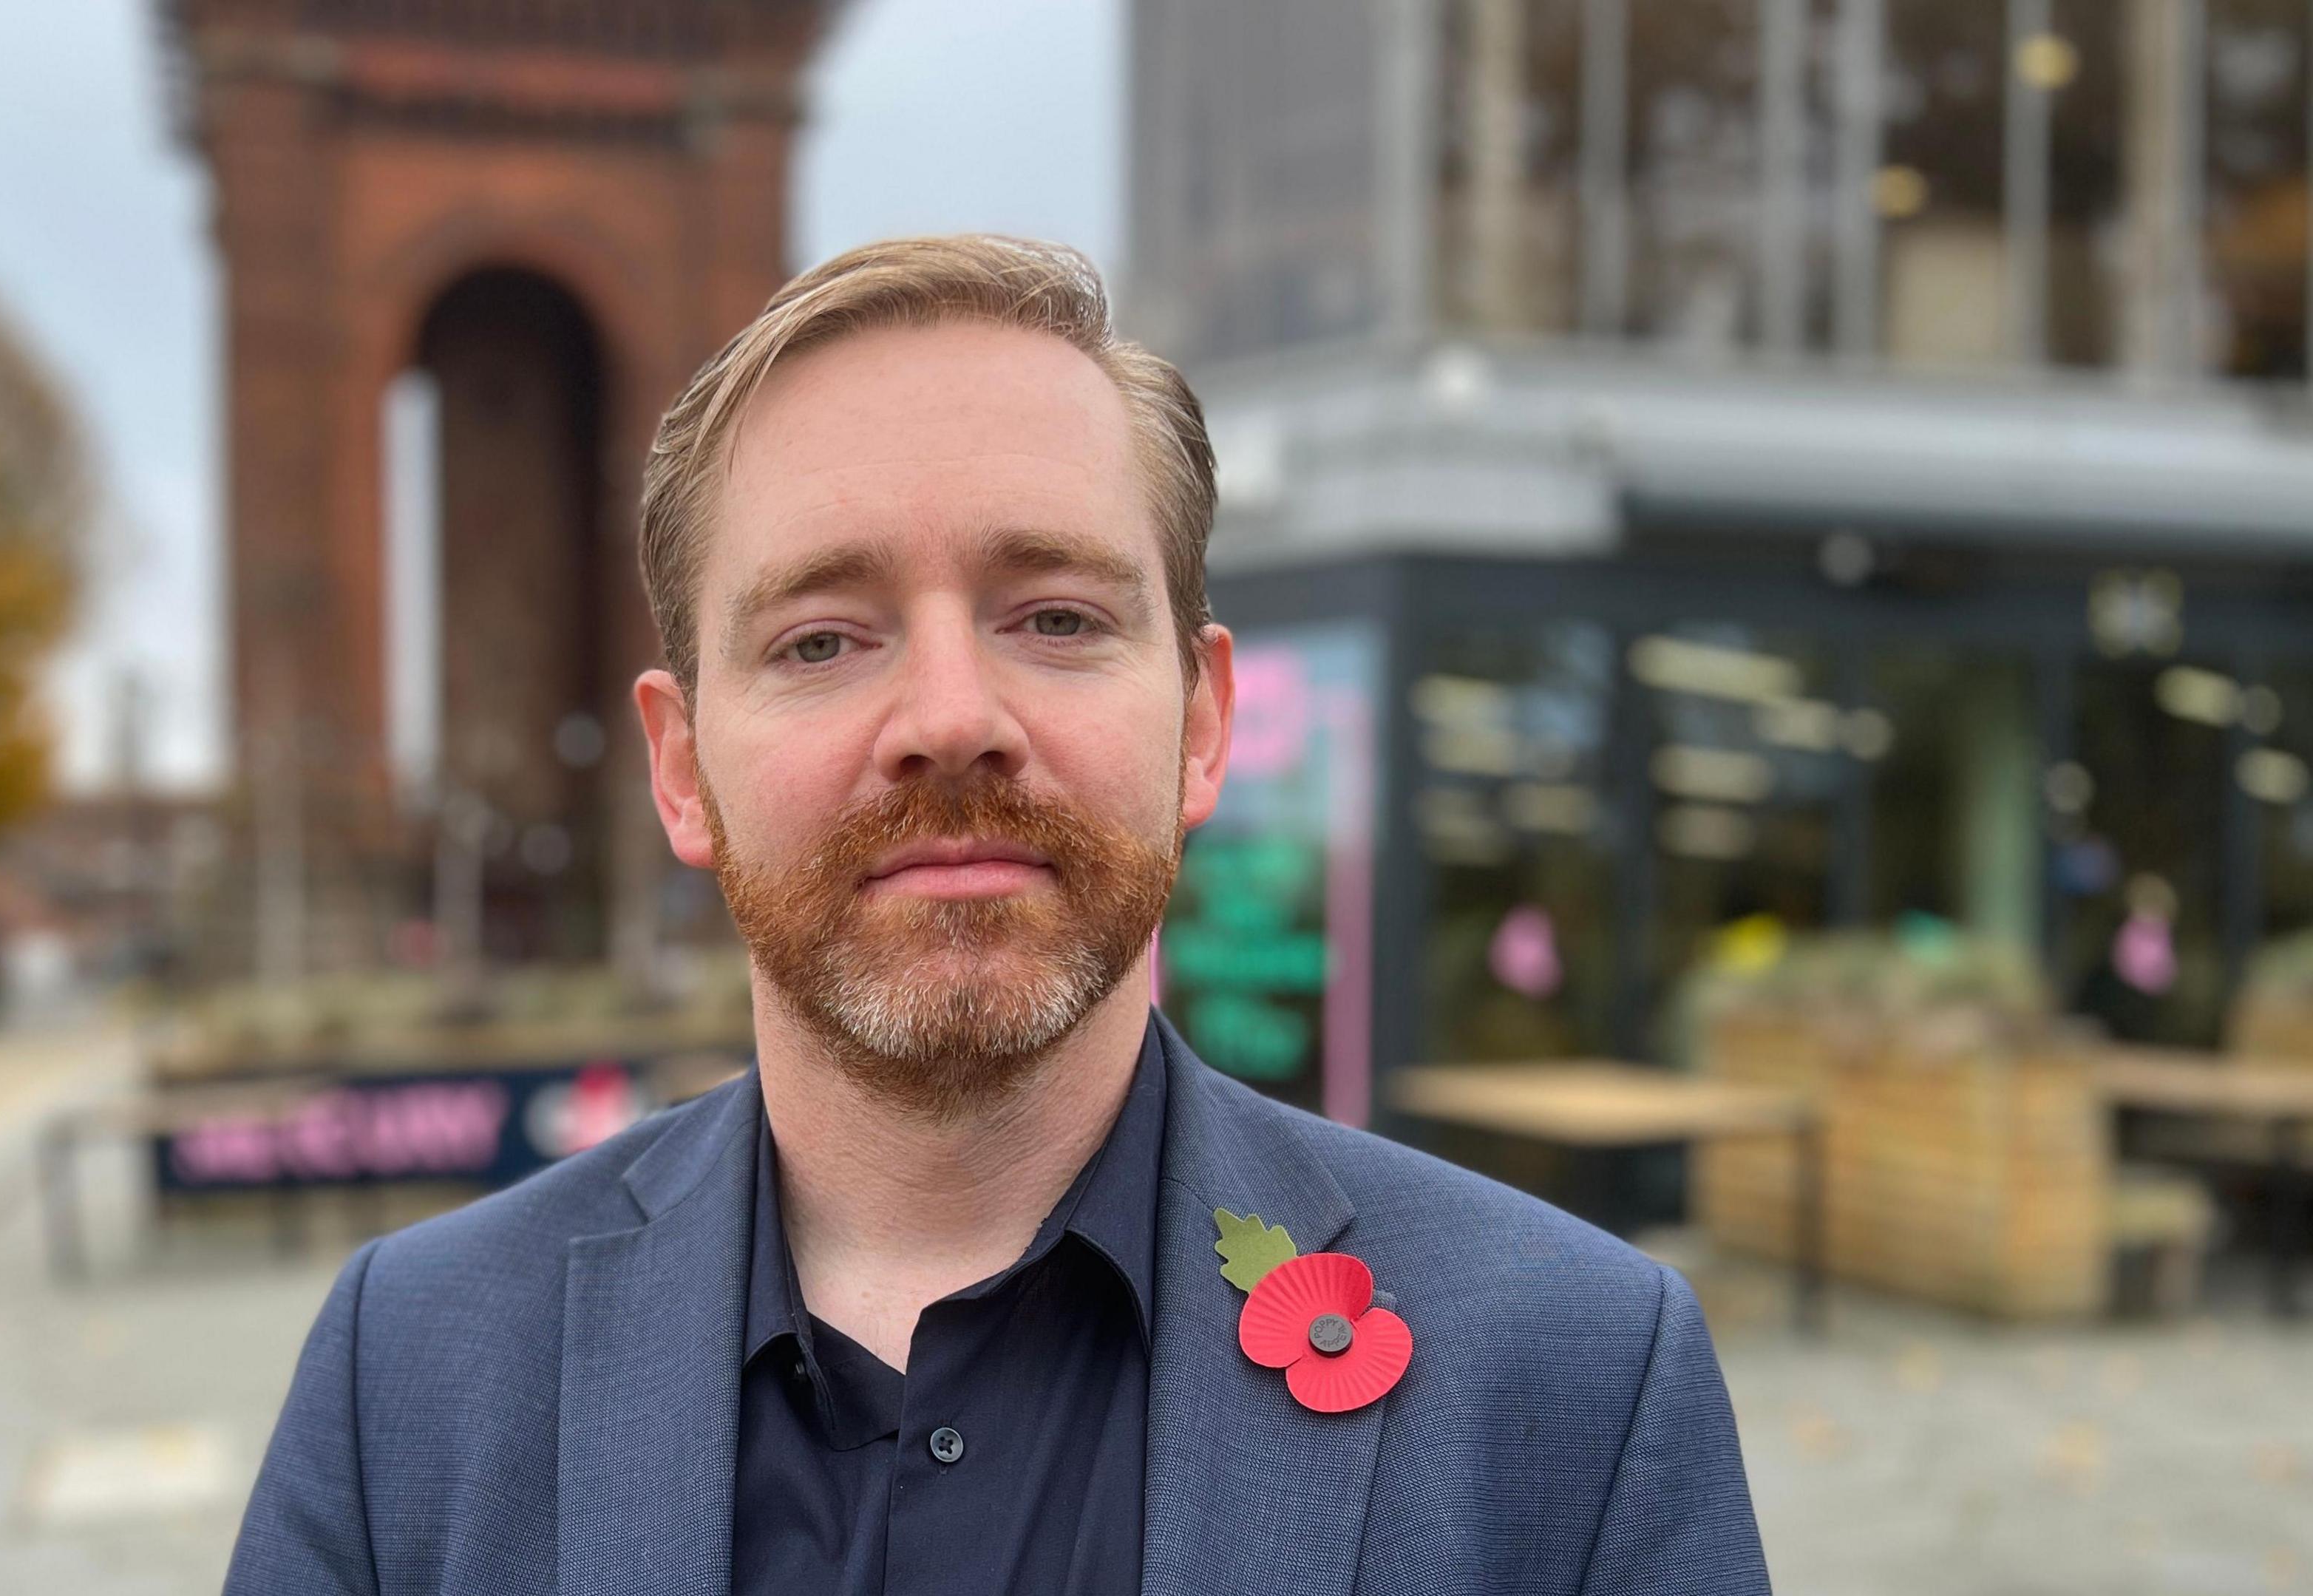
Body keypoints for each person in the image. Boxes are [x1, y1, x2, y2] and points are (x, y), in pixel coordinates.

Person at [225, 237, 1770, 1595]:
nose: (950, 716)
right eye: (824, 637)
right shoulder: (408, 1381)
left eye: (1057, 617)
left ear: (1205, 723)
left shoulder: (1574, 1385)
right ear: (683, 770)